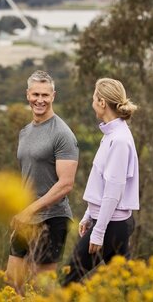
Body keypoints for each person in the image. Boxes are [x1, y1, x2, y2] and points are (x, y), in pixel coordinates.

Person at [6, 70, 79, 294]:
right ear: (27, 95)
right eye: (36, 94)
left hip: (52, 218)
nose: (40, 100)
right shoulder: (25, 132)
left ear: (53, 96)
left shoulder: (62, 134)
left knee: (42, 288)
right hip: (25, 217)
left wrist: (31, 210)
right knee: (12, 281)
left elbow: (66, 184)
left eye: (45, 95)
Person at [62, 77, 139, 286]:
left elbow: (114, 191)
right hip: (109, 222)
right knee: (126, 286)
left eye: (94, 98)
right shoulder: (111, 134)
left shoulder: (119, 139)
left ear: (102, 103)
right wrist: (89, 214)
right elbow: (102, 184)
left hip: (112, 225)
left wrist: (98, 232)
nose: (92, 102)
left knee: (68, 281)